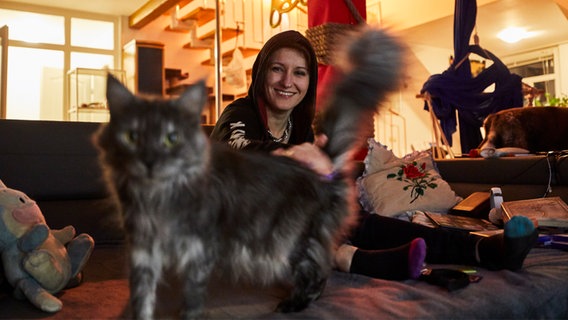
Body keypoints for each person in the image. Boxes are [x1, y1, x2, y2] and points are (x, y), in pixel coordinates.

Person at [210, 30, 538, 281]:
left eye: (299, 73)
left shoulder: (300, 128)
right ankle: (356, 260)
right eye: (277, 69)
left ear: (309, 81)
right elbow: (232, 151)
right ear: (260, 73)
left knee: (358, 220)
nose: (287, 82)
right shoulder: (239, 113)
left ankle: (481, 249)